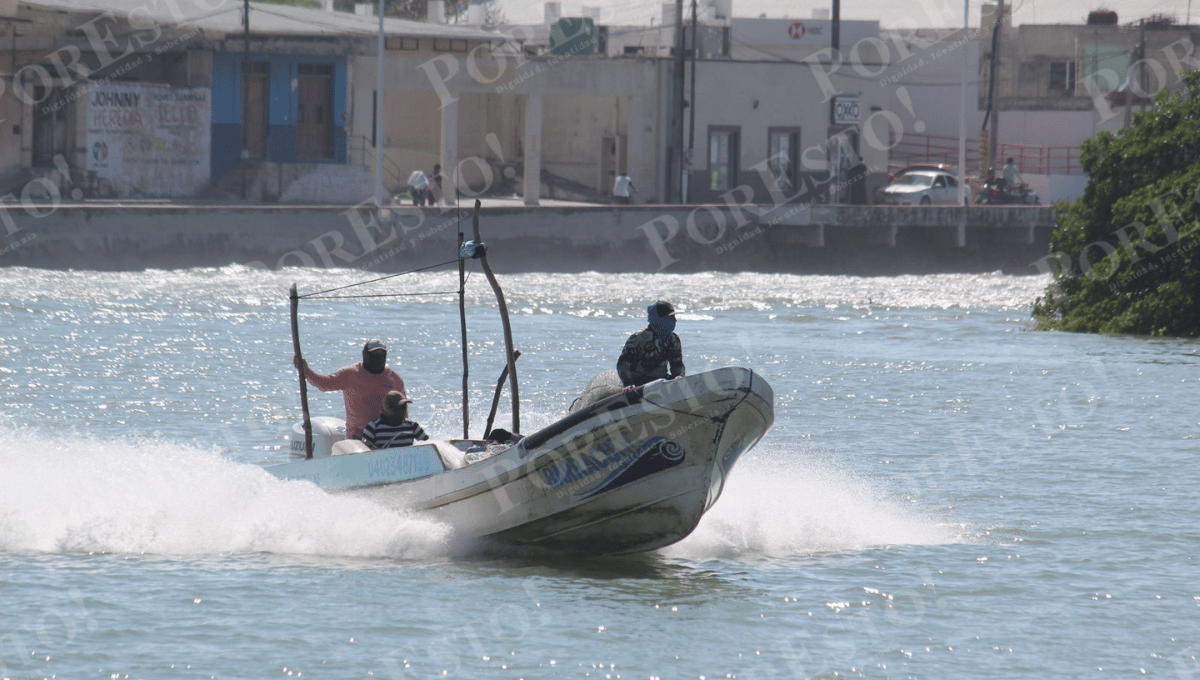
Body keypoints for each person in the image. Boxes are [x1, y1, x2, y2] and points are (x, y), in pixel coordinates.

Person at [294, 339, 407, 440]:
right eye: (375, 353)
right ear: (365, 354)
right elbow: (325, 384)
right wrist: (306, 371)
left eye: (381, 353)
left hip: (387, 436)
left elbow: (404, 412)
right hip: (358, 437)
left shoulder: (394, 378)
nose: (378, 356)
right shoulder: (350, 374)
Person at [616, 300, 686, 388]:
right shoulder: (638, 338)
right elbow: (623, 363)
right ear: (658, 319)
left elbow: (677, 364)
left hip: (661, 380)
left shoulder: (674, 339)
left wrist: (679, 376)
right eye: (671, 317)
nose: (675, 320)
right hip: (638, 384)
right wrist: (628, 384)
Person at [362, 391, 429, 449]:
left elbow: (428, 445)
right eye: (399, 407)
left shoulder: (412, 426)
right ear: (387, 409)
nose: (403, 410)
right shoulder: (373, 427)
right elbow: (364, 450)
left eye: (404, 406)